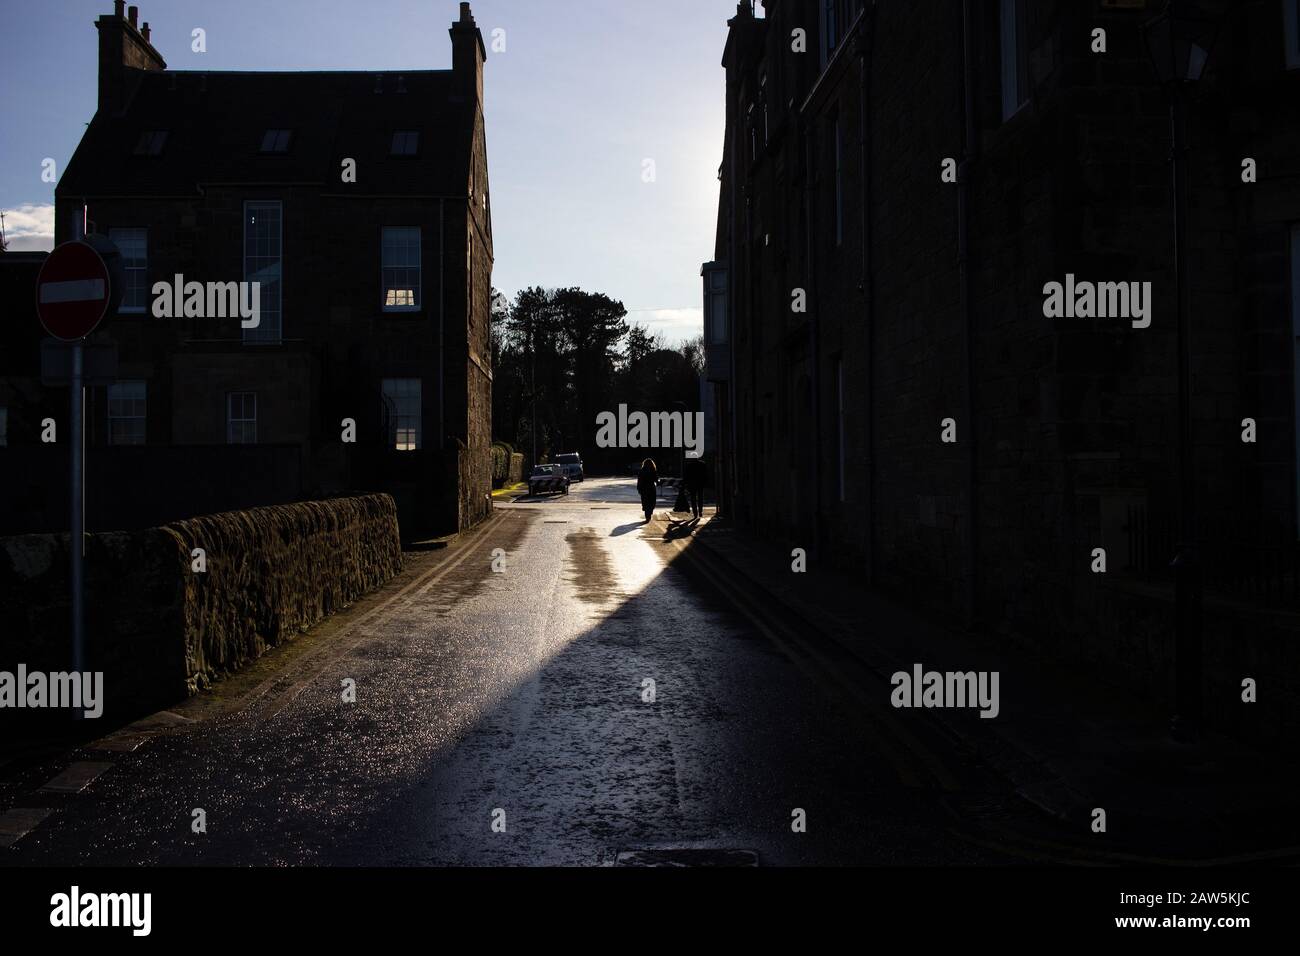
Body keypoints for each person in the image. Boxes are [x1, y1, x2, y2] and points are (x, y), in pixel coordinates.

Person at [683, 455, 707, 520]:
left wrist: (685, 484)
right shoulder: (702, 464)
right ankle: (700, 511)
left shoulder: (689, 465)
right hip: (700, 484)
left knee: (693, 499)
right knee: (700, 498)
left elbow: (686, 476)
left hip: (692, 484)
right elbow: (705, 474)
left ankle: (695, 513)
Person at [636, 458, 659, 523]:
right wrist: (658, 482)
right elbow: (656, 479)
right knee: (652, 502)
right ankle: (649, 513)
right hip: (651, 488)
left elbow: (639, 481)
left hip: (644, 489)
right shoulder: (653, 470)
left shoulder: (642, 471)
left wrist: (639, 488)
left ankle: (647, 515)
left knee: (645, 502)